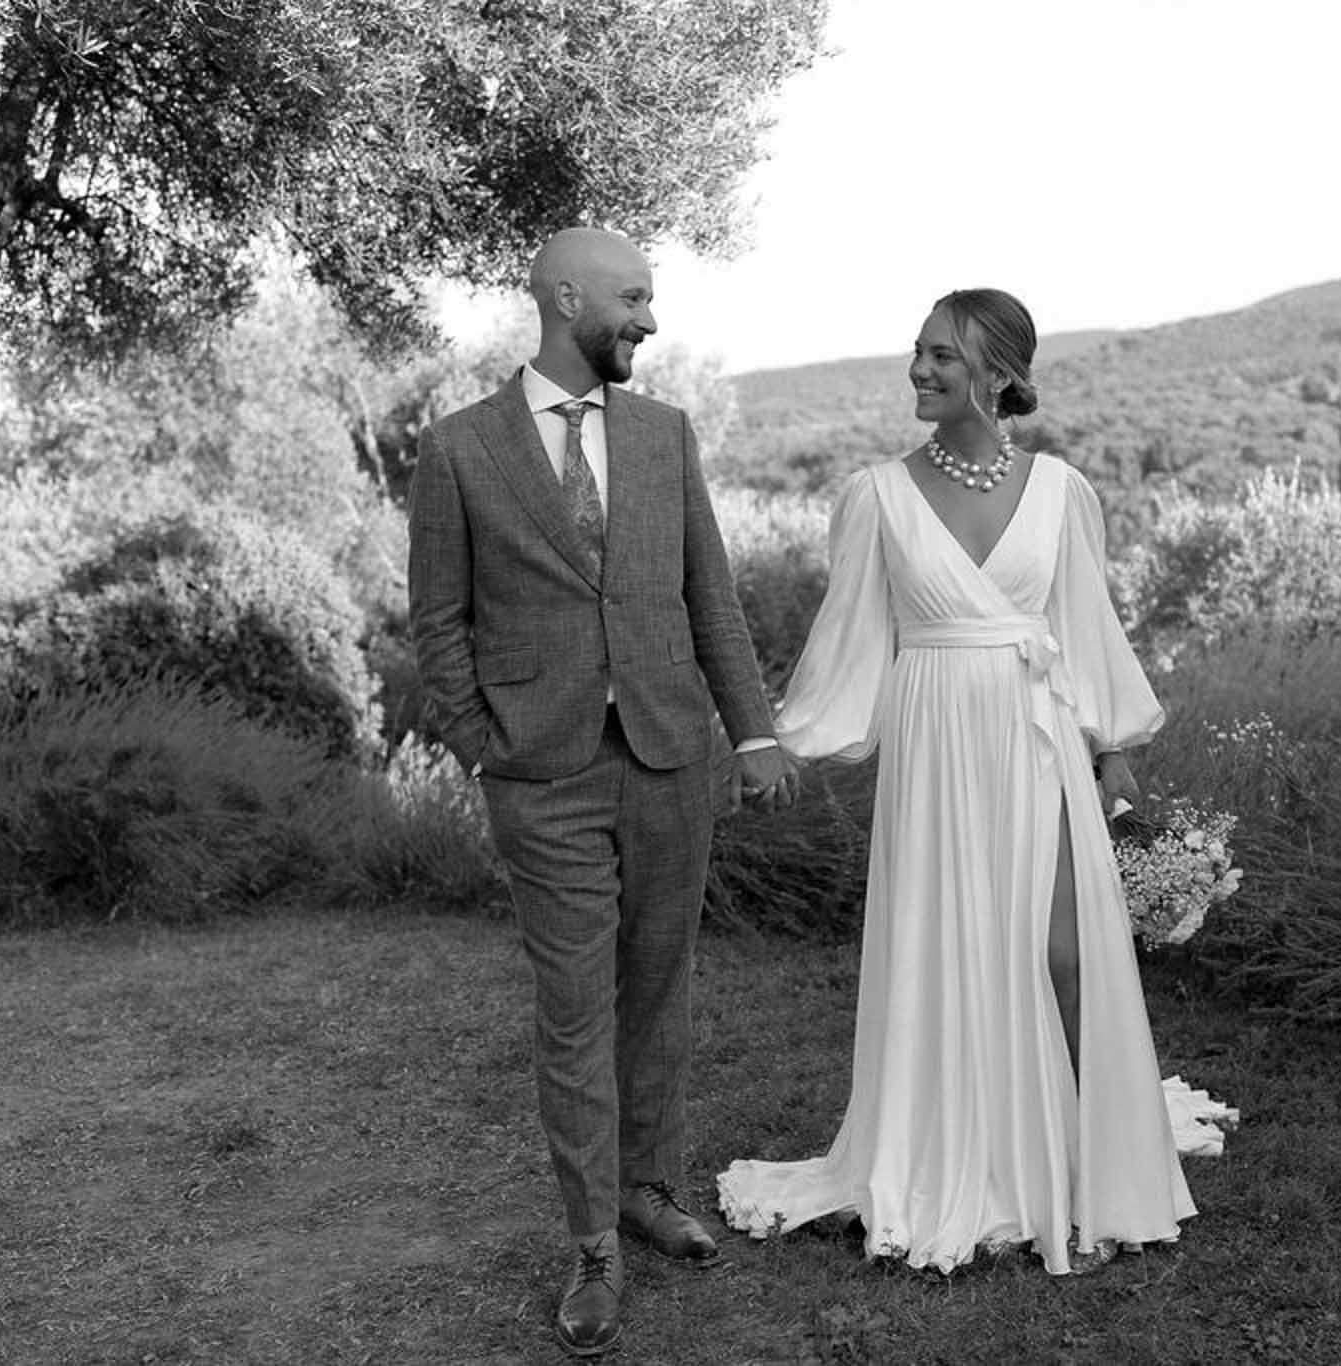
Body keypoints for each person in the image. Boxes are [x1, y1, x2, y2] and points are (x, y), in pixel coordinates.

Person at [716, 288, 1233, 1275]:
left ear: (998, 374)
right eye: (916, 353)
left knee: (1066, 953)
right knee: (948, 948)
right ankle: (965, 1157)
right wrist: (783, 739)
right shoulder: (874, 495)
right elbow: (848, 642)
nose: (919, 370)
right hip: (935, 743)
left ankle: (1088, 1162)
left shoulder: (1061, 490)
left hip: (1035, 732)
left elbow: (1084, 625)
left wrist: (1111, 741)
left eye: (942, 357)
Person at [408, 227, 799, 1357]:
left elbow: (707, 596)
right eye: (632, 296)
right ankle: (592, 1247)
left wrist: (754, 731)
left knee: (658, 989)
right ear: (563, 295)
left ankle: (647, 1184)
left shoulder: (665, 435)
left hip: (671, 757)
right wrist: (487, 743)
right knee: (575, 1011)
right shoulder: (458, 448)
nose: (648, 318)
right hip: (544, 775)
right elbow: (439, 622)